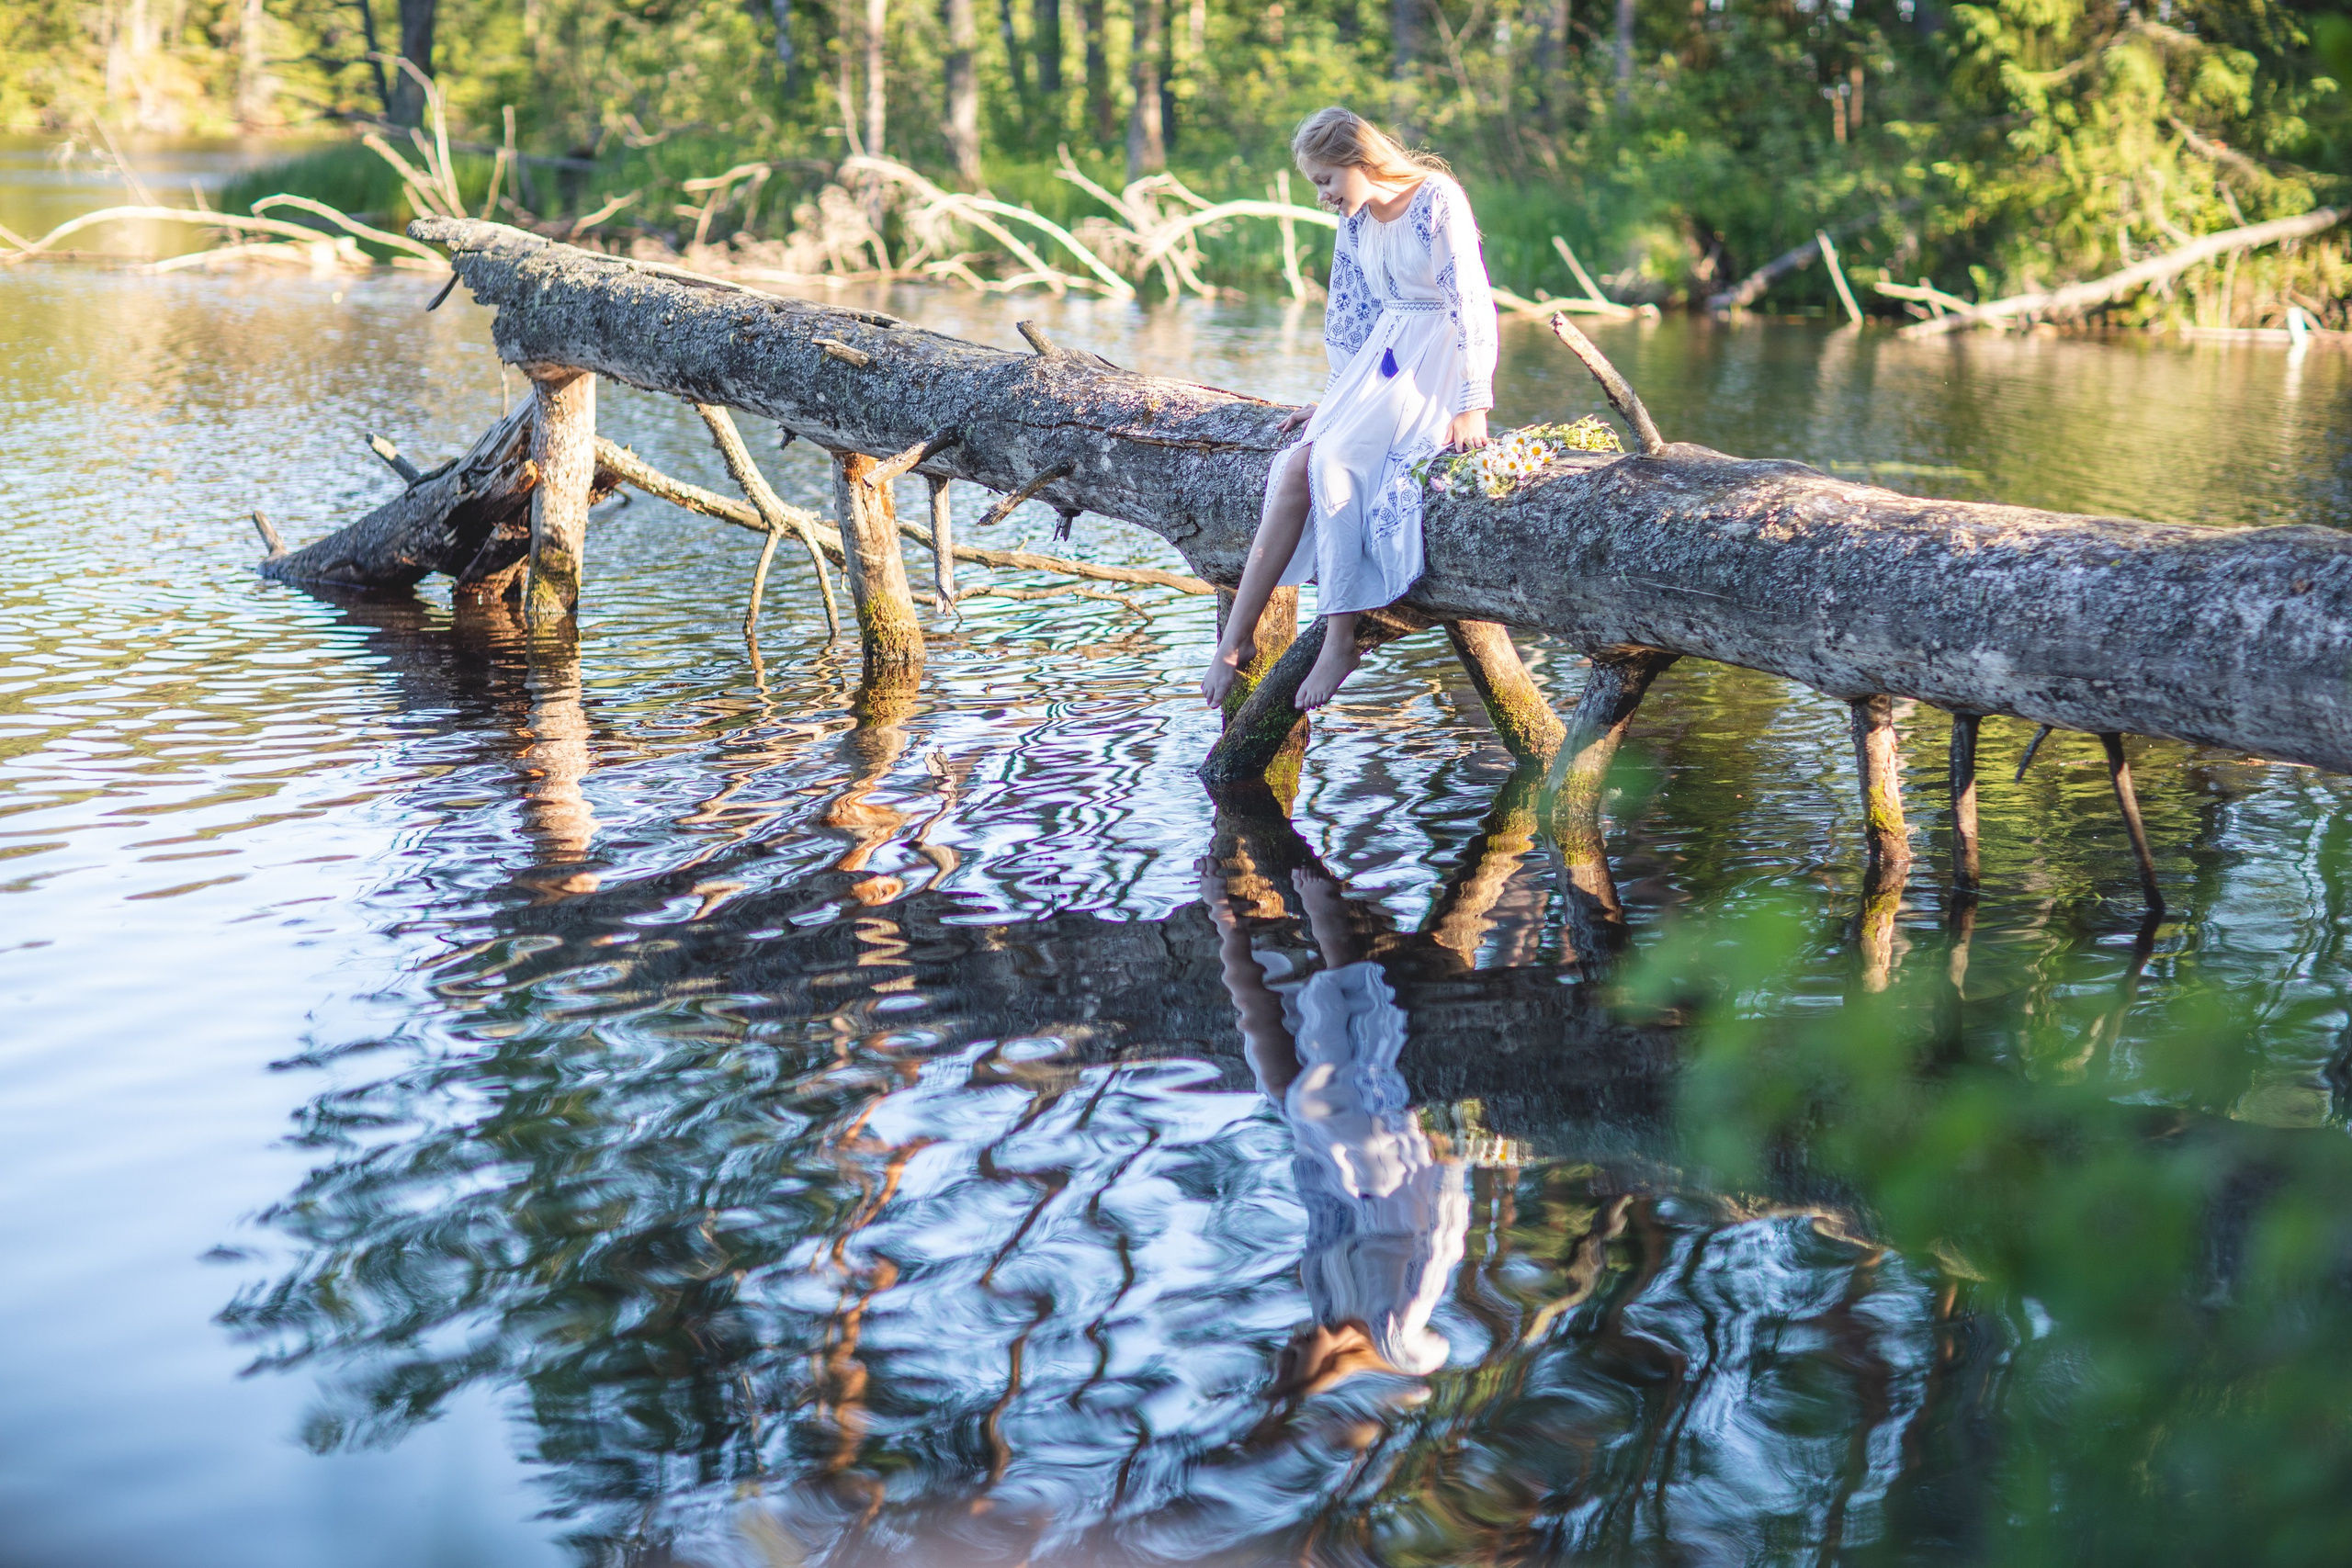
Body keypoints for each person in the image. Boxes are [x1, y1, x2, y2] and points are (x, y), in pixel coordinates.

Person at [1200, 107, 1500, 714]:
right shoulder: (1358, 222)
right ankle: (1237, 640)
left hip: (1434, 362)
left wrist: (1473, 402)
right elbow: (1352, 314)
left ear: (1360, 162)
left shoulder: (1436, 198)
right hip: (1379, 362)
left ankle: (1340, 639)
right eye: (1316, 185)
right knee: (1292, 469)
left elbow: (1470, 299)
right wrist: (1335, 398)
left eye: (1326, 181)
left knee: (1334, 464)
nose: (1323, 197)